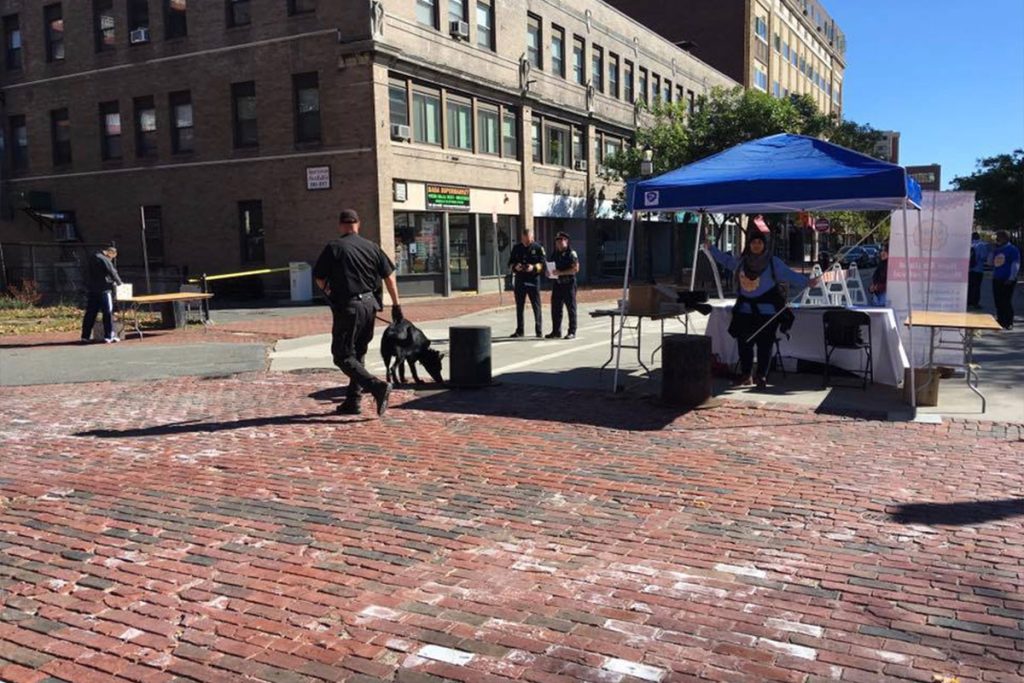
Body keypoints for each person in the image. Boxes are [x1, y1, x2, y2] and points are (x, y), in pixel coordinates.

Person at [707, 223, 817, 389]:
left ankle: (761, 376)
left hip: (767, 313)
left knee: (765, 345)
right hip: (745, 312)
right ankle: (746, 375)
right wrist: (711, 249)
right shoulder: (741, 262)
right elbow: (726, 260)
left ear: (764, 245)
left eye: (759, 242)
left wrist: (807, 282)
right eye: (753, 242)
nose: (756, 245)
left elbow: (790, 275)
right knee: (744, 344)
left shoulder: (773, 263)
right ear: (749, 245)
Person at [313, 209, 401, 417]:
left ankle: (377, 387)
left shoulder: (335, 247)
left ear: (341, 225)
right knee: (358, 353)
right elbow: (389, 277)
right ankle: (353, 401)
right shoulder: (372, 247)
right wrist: (397, 305)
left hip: (349, 306)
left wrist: (329, 292)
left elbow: (319, 277)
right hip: (370, 306)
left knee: (342, 355)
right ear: (358, 224)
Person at [80, 244, 124, 344]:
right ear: (111, 253)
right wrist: (119, 283)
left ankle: (85, 336)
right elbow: (112, 271)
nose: (112, 260)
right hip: (104, 290)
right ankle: (109, 336)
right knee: (107, 312)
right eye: (112, 257)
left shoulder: (92, 258)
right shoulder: (104, 259)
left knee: (90, 313)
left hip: (92, 290)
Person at [507, 227, 546, 338]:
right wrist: (516, 267)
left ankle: (538, 330)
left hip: (533, 280)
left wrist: (533, 267)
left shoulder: (538, 248)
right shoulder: (516, 248)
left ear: (532, 237)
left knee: (536, 306)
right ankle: (520, 330)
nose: (528, 242)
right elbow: (510, 263)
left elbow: (543, 264)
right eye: (525, 240)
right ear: (522, 237)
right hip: (520, 280)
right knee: (519, 306)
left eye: (529, 240)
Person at [545, 231, 579, 340]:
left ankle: (572, 331)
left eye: (561, 241)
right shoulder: (555, 254)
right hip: (557, 284)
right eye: (557, 241)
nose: (558, 243)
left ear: (566, 241)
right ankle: (556, 331)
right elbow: (550, 266)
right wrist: (548, 272)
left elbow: (575, 269)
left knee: (571, 308)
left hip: (569, 284)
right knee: (555, 308)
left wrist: (561, 273)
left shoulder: (571, 253)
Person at [990, 230, 1020, 330]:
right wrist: (992, 251)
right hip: (997, 278)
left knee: (1006, 301)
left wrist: (1011, 277)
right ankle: (1000, 320)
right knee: (998, 301)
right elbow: (990, 262)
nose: (997, 239)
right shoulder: (997, 249)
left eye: (998, 237)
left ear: (1005, 238)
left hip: (1007, 279)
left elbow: (1015, 264)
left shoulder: (1012, 249)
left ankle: (1009, 322)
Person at [967, 231, 989, 309]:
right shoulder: (982, 245)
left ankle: (968, 301)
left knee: (969, 286)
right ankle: (975, 303)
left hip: (968, 269)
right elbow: (983, 257)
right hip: (978, 269)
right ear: (978, 237)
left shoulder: (969, 244)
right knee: (976, 287)